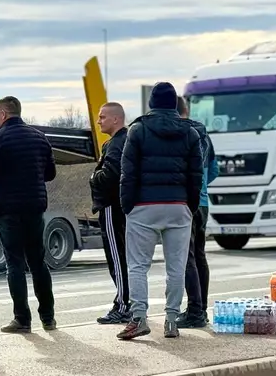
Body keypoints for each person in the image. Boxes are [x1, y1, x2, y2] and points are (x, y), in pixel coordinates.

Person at [117, 82, 203, 340]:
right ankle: (172, 320)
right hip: (178, 206)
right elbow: (195, 176)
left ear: (151, 103)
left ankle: (139, 318)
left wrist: (127, 206)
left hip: (143, 206)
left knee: (138, 266)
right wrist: (190, 205)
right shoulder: (191, 133)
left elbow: (127, 173)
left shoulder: (138, 130)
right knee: (176, 267)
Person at [0, 95, 57, 334]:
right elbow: (50, 173)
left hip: (7, 209)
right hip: (34, 207)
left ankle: (22, 319)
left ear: (2, 114)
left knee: (15, 263)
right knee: (38, 261)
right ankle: (48, 317)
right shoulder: (39, 138)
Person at [176, 96, 219, 329]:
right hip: (203, 202)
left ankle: (194, 311)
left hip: (185, 201)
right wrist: (202, 185)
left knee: (186, 257)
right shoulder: (204, 134)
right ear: (186, 109)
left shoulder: (181, 134)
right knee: (199, 255)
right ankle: (201, 309)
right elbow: (214, 169)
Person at [89, 102, 131, 324]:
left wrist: (93, 178)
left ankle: (123, 305)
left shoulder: (115, 144)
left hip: (111, 207)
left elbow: (110, 175)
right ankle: (128, 302)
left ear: (116, 119)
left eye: (103, 117)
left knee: (117, 257)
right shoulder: (128, 140)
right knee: (127, 257)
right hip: (125, 206)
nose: (98, 121)